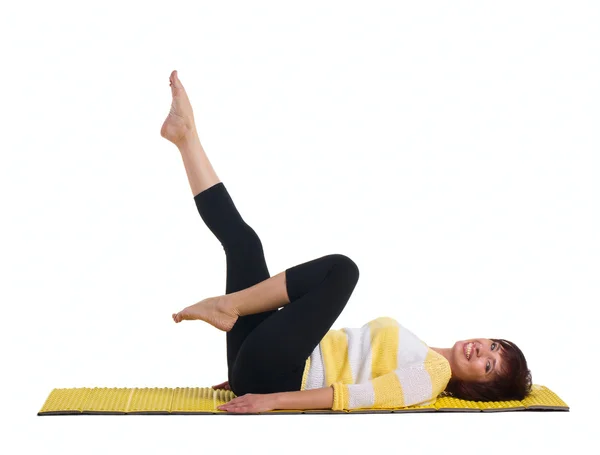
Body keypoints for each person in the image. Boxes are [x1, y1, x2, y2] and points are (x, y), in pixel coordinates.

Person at [161, 70, 533, 414]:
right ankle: (185, 137)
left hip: (279, 374)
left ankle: (227, 307)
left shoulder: (432, 377)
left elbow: (358, 397)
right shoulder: (426, 355)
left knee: (342, 271)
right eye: (494, 347)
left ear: (476, 388)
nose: (482, 351)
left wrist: (271, 399)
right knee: (245, 245)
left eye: (488, 366)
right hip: (267, 360)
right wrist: (247, 371)